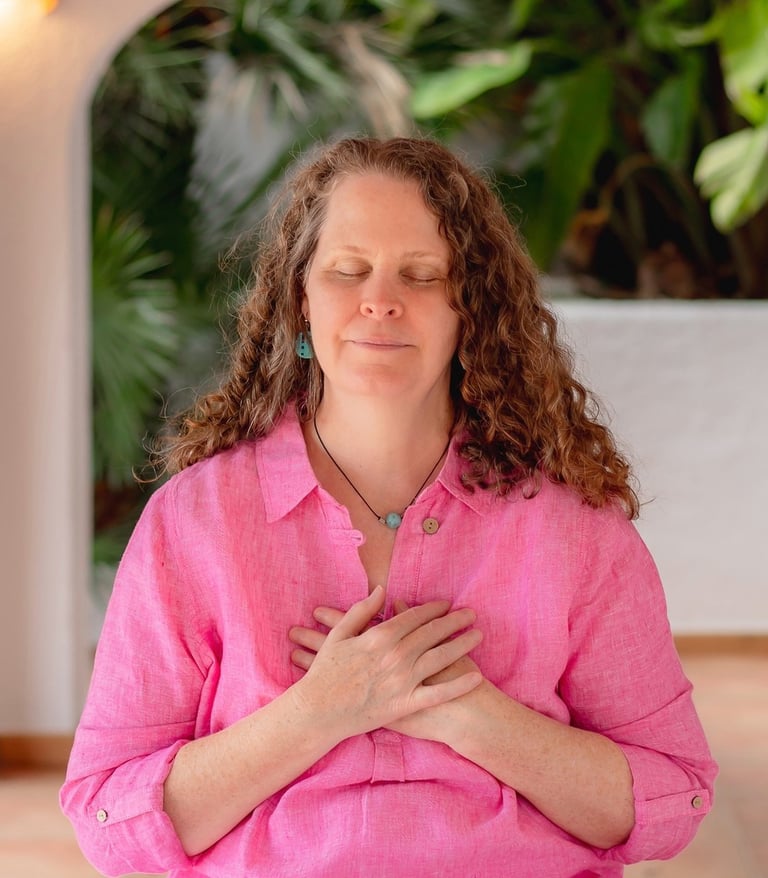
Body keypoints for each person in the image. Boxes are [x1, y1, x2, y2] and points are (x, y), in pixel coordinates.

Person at [61, 136, 717, 878]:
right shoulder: (196, 520)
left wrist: (467, 713)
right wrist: (322, 710)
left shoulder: (573, 527)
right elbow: (107, 818)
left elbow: (673, 799)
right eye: (347, 270)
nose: (380, 298)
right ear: (299, 301)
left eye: (422, 274)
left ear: (472, 309)